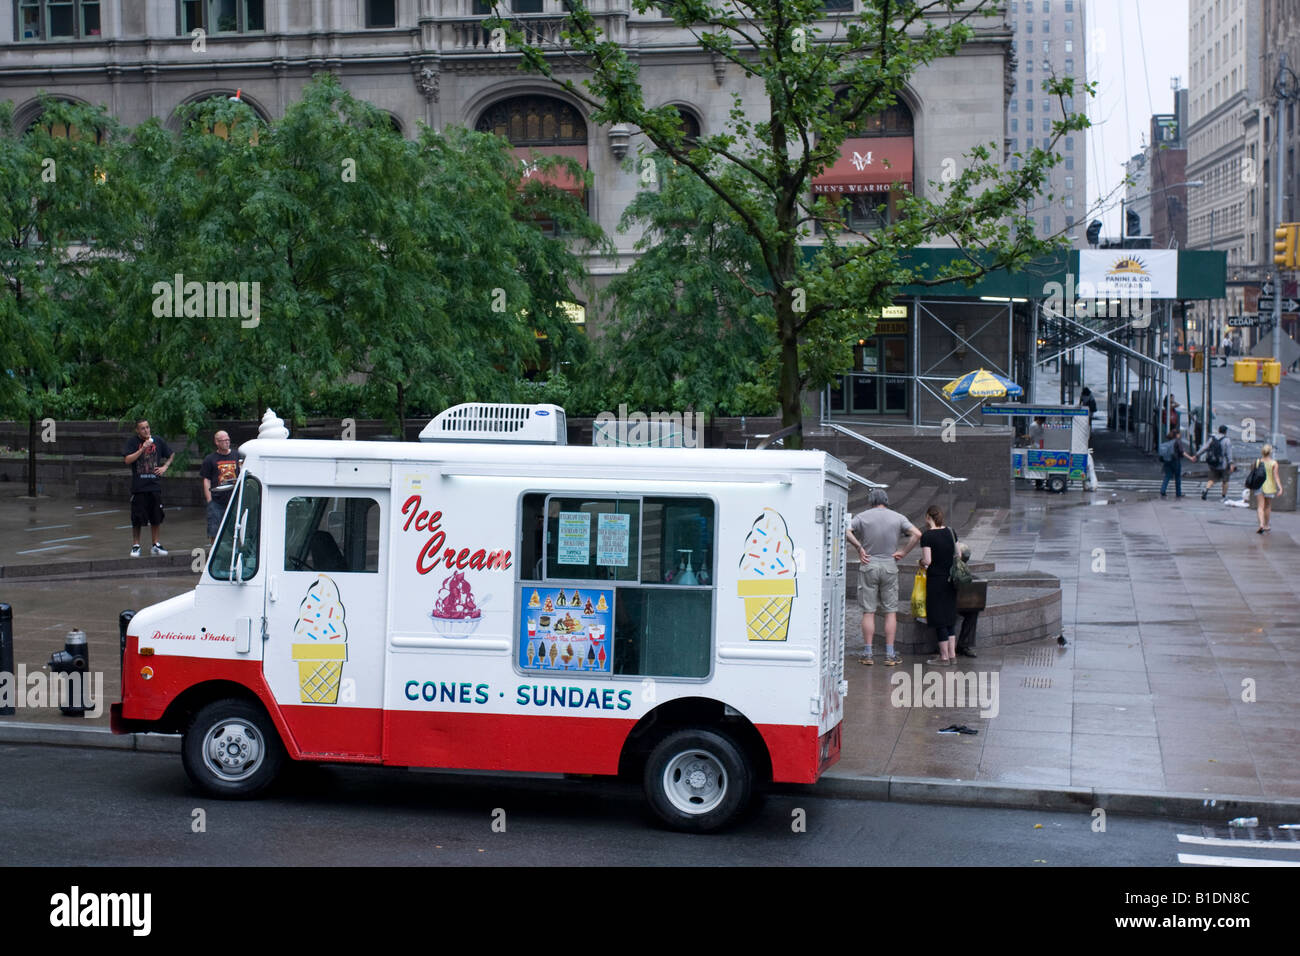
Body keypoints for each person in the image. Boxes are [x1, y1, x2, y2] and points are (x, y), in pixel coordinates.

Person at [845, 488, 922, 666]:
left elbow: (847, 531)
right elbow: (917, 534)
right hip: (889, 565)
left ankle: (868, 653)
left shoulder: (862, 516)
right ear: (886, 500)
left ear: (871, 500)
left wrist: (859, 547)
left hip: (869, 564)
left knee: (868, 612)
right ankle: (889, 654)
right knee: (890, 612)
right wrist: (903, 551)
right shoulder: (898, 517)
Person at [122, 419, 174, 556]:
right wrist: (142, 448)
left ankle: (155, 544)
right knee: (137, 518)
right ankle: (136, 545)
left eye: (148, 427)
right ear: (137, 430)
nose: (146, 430)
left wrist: (165, 467)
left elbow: (171, 454)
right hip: (139, 487)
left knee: (156, 516)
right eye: (143, 428)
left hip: (154, 485)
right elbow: (127, 460)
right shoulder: (133, 442)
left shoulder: (158, 440)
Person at [918, 505, 958, 667]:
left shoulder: (927, 536)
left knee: (939, 617)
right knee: (949, 618)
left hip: (936, 581)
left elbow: (928, 561)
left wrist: (920, 562)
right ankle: (952, 655)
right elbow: (959, 554)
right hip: (951, 580)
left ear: (928, 517)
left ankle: (943, 657)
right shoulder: (951, 531)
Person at [199, 430, 241, 545]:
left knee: (236, 528)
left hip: (234, 500)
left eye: (228, 440)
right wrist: (209, 500)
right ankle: (215, 554)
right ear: (217, 442)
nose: (227, 442)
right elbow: (206, 479)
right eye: (223, 440)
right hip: (217, 500)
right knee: (215, 530)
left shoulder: (237, 455)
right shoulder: (210, 459)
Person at [954, 543, 980, 658]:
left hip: (957, 601)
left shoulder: (962, 568)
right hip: (943, 600)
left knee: (973, 611)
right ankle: (942, 645)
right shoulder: (947, 565)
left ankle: (963, 645)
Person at [1197, 424, 1235, 500]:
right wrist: (1231, 463)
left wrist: (1197, 455)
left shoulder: (1212, 439)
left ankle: (1206, 489)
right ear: (1225, 432)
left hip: (1213, 463)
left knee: (1212, 479)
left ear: (1218, 430)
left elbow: (1204, 447)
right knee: (1225, 481)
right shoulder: (1227, 440)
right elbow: (1229, 453)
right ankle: (1224, 496)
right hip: (1223, 464)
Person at [1252, 444, 1284, 534]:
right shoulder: (1274, 463)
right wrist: (1280, 488)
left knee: (1260, 506)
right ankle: (1266, 525)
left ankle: (1261, 524)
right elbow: (1276, 476)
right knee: (1268, 506)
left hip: (1259, 485)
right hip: (1269, 486)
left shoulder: (1257, 461)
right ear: (1270, 452)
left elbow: (1254, 473)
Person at [1158, 427, 1196, 498]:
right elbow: (1182, 452)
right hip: (1175, 461)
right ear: (1177, 435)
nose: (1180, 435)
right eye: (1179, 434)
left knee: (1167, 476)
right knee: (1177, 477)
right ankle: (1178, 493)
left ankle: (1163, 490)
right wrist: (1190, 458)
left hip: (1167, 460)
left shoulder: (1169, 441)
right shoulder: (1178, 441)